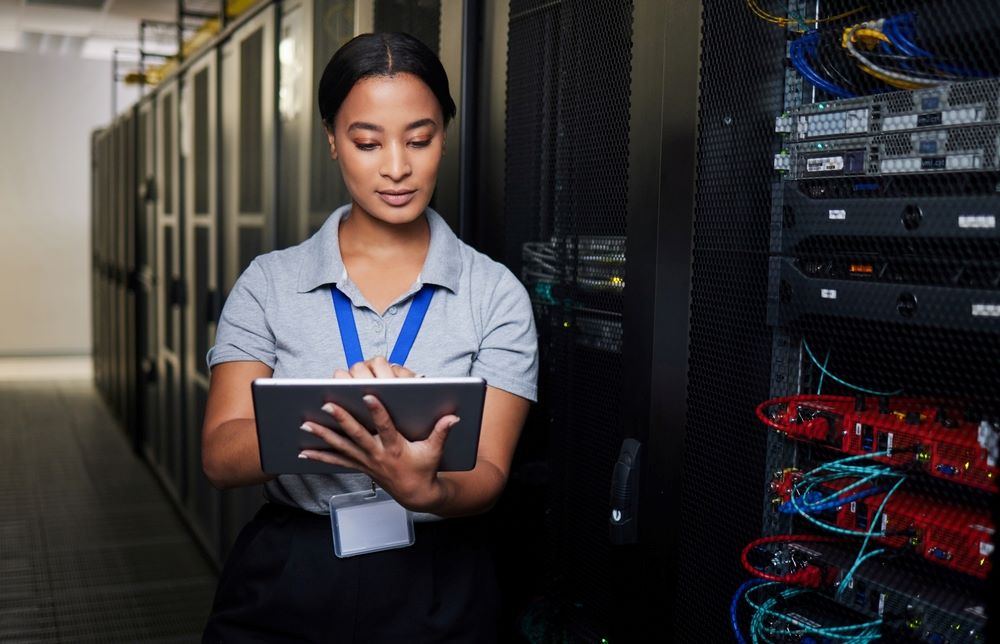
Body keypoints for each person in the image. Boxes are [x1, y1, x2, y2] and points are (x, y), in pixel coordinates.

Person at [200, 31, 538, 643]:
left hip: (440, 576)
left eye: (419, 138)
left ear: (444, 135)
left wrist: (425, 487)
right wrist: (338, 412)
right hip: (291, 573)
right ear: (332, 140)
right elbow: (221, 456)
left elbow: (488, 472)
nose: (396, 167)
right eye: (366, 142)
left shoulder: (496, 294)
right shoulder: (269, 284)